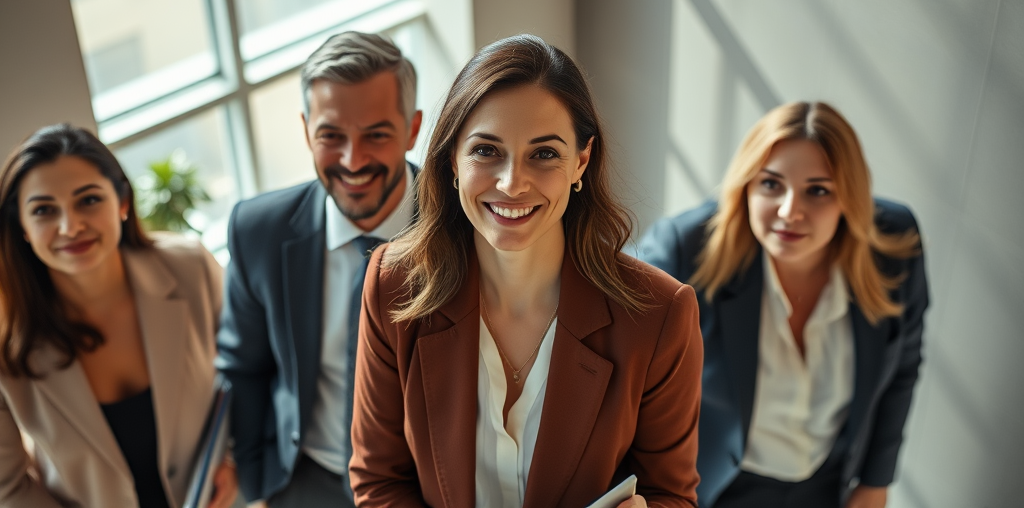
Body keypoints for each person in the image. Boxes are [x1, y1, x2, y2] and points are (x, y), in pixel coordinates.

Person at [350, 34, 703, 507]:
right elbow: (378, 482)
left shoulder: (659, 314)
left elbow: (672, 495)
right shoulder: (391, 284)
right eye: (486, 150)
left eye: (544, 154)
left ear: (581, 161)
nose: (512, 183)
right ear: (452, 158)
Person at [638, 102, 929, 508]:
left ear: (850, 197)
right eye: (771, 184)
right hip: (714, 488)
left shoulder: (894, 246)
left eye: (818, 190)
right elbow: (622, 376)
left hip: (828, 485)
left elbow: (903, 367)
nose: (791, 211)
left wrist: (875, 481)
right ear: (746, 186)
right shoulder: (683, 250)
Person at [215, 31, 422, 507]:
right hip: (306, 480)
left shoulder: (464, 225)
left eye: (376, 134)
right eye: (331, 135)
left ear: (411, 130)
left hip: (421, 487)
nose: (353, 160)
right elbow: (242, 367)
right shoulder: (257, 230)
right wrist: (255, 480)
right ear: (307, 129)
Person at [0, 124, 237, 508]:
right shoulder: (7, 340)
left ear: (123, 201)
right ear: (22, 227)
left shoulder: (190, 268)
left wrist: (235, 457)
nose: (70, 226)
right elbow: (7, 488)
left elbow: (250, 369)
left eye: (88, 200)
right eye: (44, 210)